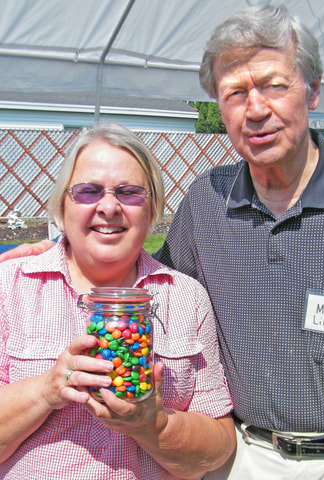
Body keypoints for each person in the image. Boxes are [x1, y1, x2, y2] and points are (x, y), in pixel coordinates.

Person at [2, 5, 324, 480]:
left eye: (274, 85)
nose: (256, 110)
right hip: (244, 458)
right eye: (235, 93)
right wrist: (50, 254)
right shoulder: (207, 203)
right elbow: (144, 275)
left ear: (312, 90)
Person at [0, 122, 235, 480]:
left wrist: (154, 425)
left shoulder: (186, 298)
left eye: (129, 192)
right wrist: (46, 390)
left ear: (152, 209)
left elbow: (217, 449)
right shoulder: (10, 286)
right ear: (62, 204)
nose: (109, 207)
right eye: (89, 191)